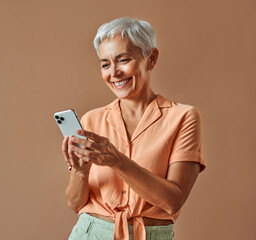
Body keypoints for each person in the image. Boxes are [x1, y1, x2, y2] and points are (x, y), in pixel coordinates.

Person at [62, 17, 206, 240]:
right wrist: (80, 172)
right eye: (105, 64)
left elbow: (172, 201)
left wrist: (116, 160)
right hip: (89, 233)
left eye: (123, 60)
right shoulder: (91, 121)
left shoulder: (183, 117)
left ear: (152, 59)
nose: (114, 72)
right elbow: (75, 204)